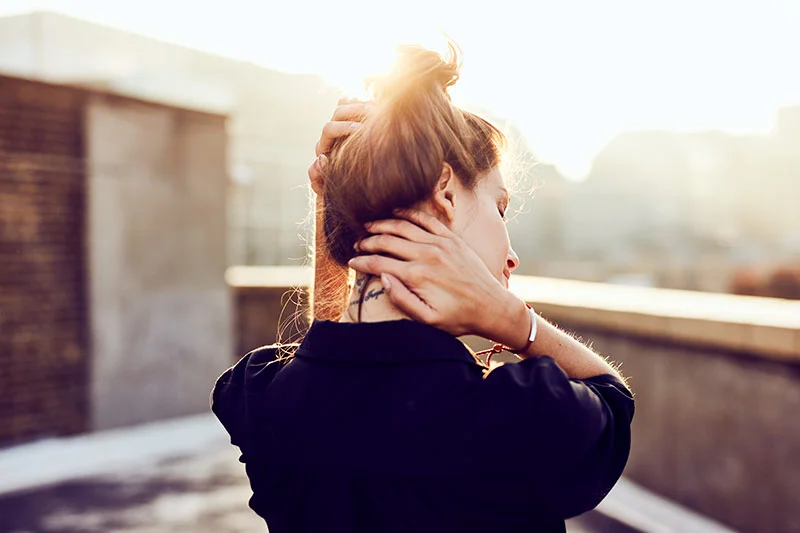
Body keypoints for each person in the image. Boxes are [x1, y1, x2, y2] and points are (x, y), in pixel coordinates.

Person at [211, 42, 634, 533]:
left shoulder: (261, 400)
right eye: (500, 208)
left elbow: (333, 355)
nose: (511, 253)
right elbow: (613, 398)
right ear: (446, 195)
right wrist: (514, 320)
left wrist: (333, 205)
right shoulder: (520, 417)